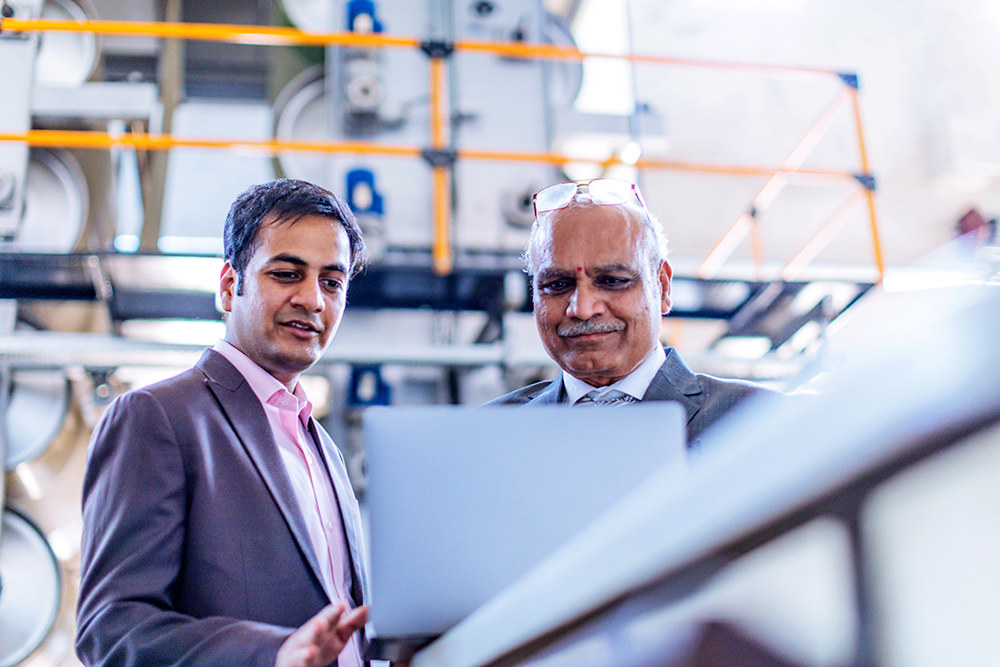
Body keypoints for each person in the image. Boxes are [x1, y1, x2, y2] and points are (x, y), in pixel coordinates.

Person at [76, 179, 372, 666]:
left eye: (332, 282)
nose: (313, 300)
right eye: (286, 274)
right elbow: (110, 629)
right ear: (230, 287)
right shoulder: (157, 418)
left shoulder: (322, 446)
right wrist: (274, 654)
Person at [487, 178, 775, 447]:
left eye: (612, 281)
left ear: (662, 287)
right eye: (557, 285)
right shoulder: (488, 436)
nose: (583, 309)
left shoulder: (760, 421)